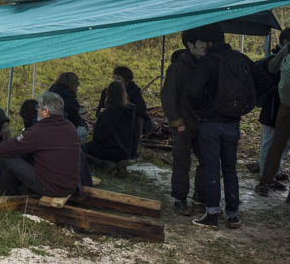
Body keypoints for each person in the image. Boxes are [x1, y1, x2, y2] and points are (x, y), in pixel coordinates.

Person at [187, 23, 269, 228]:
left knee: (212, 168)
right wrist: (244, 103)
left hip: (210, 123)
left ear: (208, 42)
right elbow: (266, 82)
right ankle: (233, 214)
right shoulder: (240, 58)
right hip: (233, 122)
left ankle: (212, 214)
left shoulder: (207, 62)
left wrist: (204, 107)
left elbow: (193, 92)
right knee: (231, 169)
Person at [0, 91, 81, 197]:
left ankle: (11, 195)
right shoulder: (70, 127)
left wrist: (16, 140)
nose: (36, 109)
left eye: (38, 107)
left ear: (45, 111)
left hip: (50, 188)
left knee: (5, 157)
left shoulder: (38, 131)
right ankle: (23, 188)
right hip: (70, 186)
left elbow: (3, 148)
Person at [161, 29, 208, 215]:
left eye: (206, 42)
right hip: (183, 123)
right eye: (200, 42)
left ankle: (200, 198)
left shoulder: (205, 65)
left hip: (202, 122)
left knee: (206, 160)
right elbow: (168, 97)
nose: (204, 46)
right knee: (182, 162)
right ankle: (180, 198)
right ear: (190, 45)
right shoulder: (178, 68)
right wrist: (177, 122)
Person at [253, 29, 290, 194]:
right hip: (282, 106)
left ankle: (265, 182)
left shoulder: (287, 50)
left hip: (285, 105)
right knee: (275, 145)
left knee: (276, 145)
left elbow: (273, 67)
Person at [83, 80, 135, 178]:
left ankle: (104, 164)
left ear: (108, 94)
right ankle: (121, 162)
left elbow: (98, 137)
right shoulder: (130, 112)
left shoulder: (106, 114)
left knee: (81, 149)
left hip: (107, 151)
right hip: (125, 151)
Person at [97, 66, 151, 157]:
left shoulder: (134, 91)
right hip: (111, 120)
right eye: (113, 78)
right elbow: (99, 110)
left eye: (118, 79)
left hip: (127, 122)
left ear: (126, 81)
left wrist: (124, 110)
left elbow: (141, 109)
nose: (115, 81)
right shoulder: (107, 91)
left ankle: (131, 150)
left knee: (138, 119)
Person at [49, 72, 86, 141]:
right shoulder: (69, 100)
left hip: (48, 135)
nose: (78, 87)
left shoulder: (50, 95)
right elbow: (76, 122)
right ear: (71, 84)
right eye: (77, 84)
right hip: (65, 138)